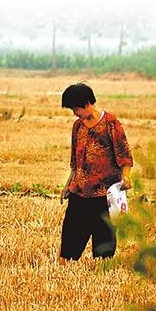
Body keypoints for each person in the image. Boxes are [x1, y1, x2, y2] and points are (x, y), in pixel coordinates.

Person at [59, 82, 134, 262]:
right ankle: (63, 270)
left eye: (75, 108)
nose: (74, 113)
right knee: (70, 237)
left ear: (87, 103)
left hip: (104, 195)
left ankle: (102, 272)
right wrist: (68, 185)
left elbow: (124, 155)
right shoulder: (78, 127)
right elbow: (75, 162)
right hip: (80, 192)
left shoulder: (111, 124)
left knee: (103, 241)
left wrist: (126, 178)